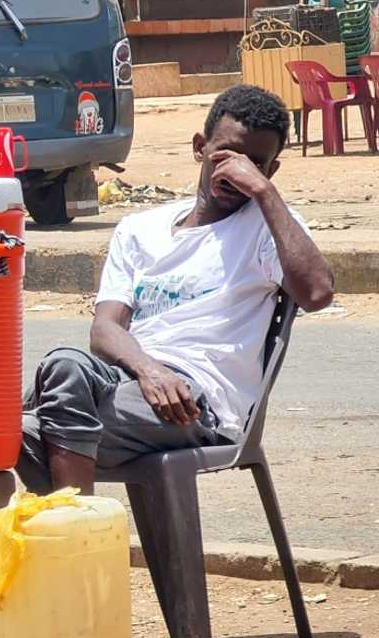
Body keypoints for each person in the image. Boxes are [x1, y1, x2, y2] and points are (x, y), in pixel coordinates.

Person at [17, 85, 335, 495]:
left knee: (19, 431)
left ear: (270, 170)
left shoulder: (268, 225)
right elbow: (105, 331)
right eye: (226, 155)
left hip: (196, 404)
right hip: (129, 377)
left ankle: (73, 539)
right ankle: (78, 530)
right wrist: (149, 370)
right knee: (63, 363)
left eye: (255, 165)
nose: (236, 173)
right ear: (200, 147)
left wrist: (264, 193)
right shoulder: (139, 229)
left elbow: (317, 293)